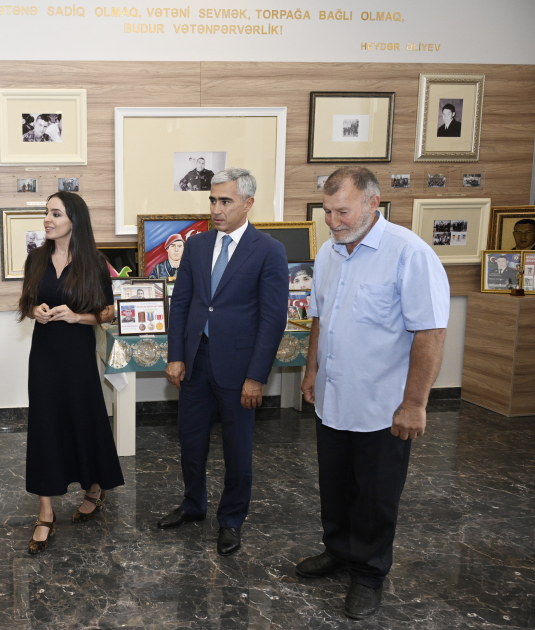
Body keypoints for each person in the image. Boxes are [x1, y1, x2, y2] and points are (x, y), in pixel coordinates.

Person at [297, 166, 449, 620]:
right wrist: (311, 369)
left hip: (384, 406)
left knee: (375, 496)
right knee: (335, 486)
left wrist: (415, 404)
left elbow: (430, 332)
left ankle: (368, 574)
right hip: (333, 397)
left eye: (342, 211)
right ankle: (338, 551)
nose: (333, 221)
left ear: (372, 203)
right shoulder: (328, 252)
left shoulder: (409, 254)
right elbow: (320, 317)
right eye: (327, 211)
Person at [159, 168, 288, 558]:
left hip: (239, 369)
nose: (216, 208)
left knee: (237, 450)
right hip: (195, 363)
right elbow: (182, 303)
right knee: (190, 441)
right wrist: (176, 355)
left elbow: (272, 320)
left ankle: (231, 520)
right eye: (213, 200)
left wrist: (256, 376)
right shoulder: (197, 246)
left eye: (225, 201)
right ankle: (193, 504)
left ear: (248, 203)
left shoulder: (268, 250)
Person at [19, 191, 124, 555]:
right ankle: (45, 512)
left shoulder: (94, 261)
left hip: (78, 354)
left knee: (84, 418)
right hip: (44, 355)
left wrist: (77, 316)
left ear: (73, 220)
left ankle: (94, 487)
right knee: (45, 425)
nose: (47, 219)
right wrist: (35, 311)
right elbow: (26, 302)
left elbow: (107, 311)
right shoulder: (36, 259)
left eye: (55, 213)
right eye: (46, 213)